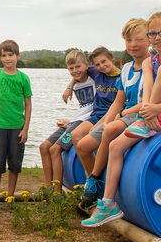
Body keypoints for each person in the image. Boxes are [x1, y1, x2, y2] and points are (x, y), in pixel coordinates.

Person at [82, 10, 161, 227]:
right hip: (157, 114)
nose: (158, 37)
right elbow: (148, 91)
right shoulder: (149, 63)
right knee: (116, 145)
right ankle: (108, 204)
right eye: (154, 33)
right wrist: (147, 111)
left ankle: (145, 124)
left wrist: (155, 109)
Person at [76, 19, 151, 209]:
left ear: (150, 39)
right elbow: (118, 101)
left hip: (140, 114)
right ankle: (97, 181)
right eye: (128, 40)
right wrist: (103, 123)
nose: (133, 44)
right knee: (84, 145)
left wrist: (119, 116)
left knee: (111, 130)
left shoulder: (154, 65)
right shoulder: (126, 69)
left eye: (138, 39)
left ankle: (94, 183)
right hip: (122, 114)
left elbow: (148, 101)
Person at [0, 40, 32, 209]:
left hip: (17, 127)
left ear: (17, 56)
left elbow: (28, 104)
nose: (7, 59)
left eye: (10, 55)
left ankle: (10, 197)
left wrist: (25, 128)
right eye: (4, 55)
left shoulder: (23, 78)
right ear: (0, 57)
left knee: (15, 163)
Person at [39, 50, 95, 194]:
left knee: (55, 149)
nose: (75, 71)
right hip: (75, 119)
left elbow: (99, 70)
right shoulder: (75, 84)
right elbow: (76, 77)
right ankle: (48, 189)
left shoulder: (94, 77)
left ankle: (57, 193)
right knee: (44, 146)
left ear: (86, 65)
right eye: (71, 68)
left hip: (85, 121)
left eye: (78, 67)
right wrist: (70, 86)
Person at [68, 47, 121, 159]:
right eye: (97, 64)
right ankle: (89, 173)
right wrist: (69, 87)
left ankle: (97, 171)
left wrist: (98, 125)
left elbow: (119, 106)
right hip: (97, 115)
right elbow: (78, 72)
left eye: (103, 61)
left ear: (112, 58)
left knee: (90, 140)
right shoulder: (97, 73)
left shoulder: (122, 77)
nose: (101, 66)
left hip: (112, 116)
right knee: (75, 134)